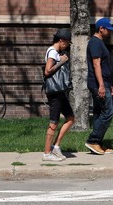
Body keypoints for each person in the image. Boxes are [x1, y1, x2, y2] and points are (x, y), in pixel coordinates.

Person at [85, 18, 113, 155]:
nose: (110, 32)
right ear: (101, 28)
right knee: (107, 112)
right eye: (108, 29)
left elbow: (104, 66)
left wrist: (109, 84)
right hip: (98, 84)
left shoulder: (99, 43)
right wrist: (102, 85)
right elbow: (96, 65)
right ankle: (93, 140)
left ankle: (97, 144)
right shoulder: (95, 43)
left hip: (103, 83)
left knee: (99, 113)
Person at [42, 28, 75, 161]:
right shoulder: (52, 52)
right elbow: (47, 71)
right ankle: (46, 153)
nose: (67, 45)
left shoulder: (57, 52)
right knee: (53, 123)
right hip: (55, 93)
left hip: (60, 92)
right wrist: (61, 61)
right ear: (61, 41)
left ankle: (56, 146)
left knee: (71, 118)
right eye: (67, 43)